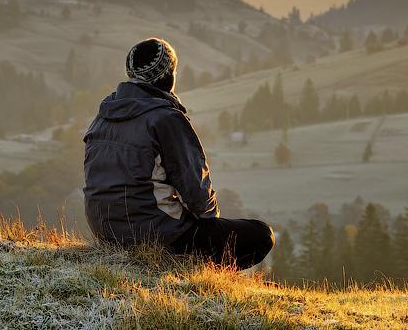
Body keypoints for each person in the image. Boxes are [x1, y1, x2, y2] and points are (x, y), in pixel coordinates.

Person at [83, 37, 274, 269]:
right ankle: (202, 274)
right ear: (168, 76)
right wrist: (209, 223)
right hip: (155, 236)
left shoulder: (103, 115)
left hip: (104, 230)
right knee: (261, 234)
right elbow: (198, 194)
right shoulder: (166, 119)